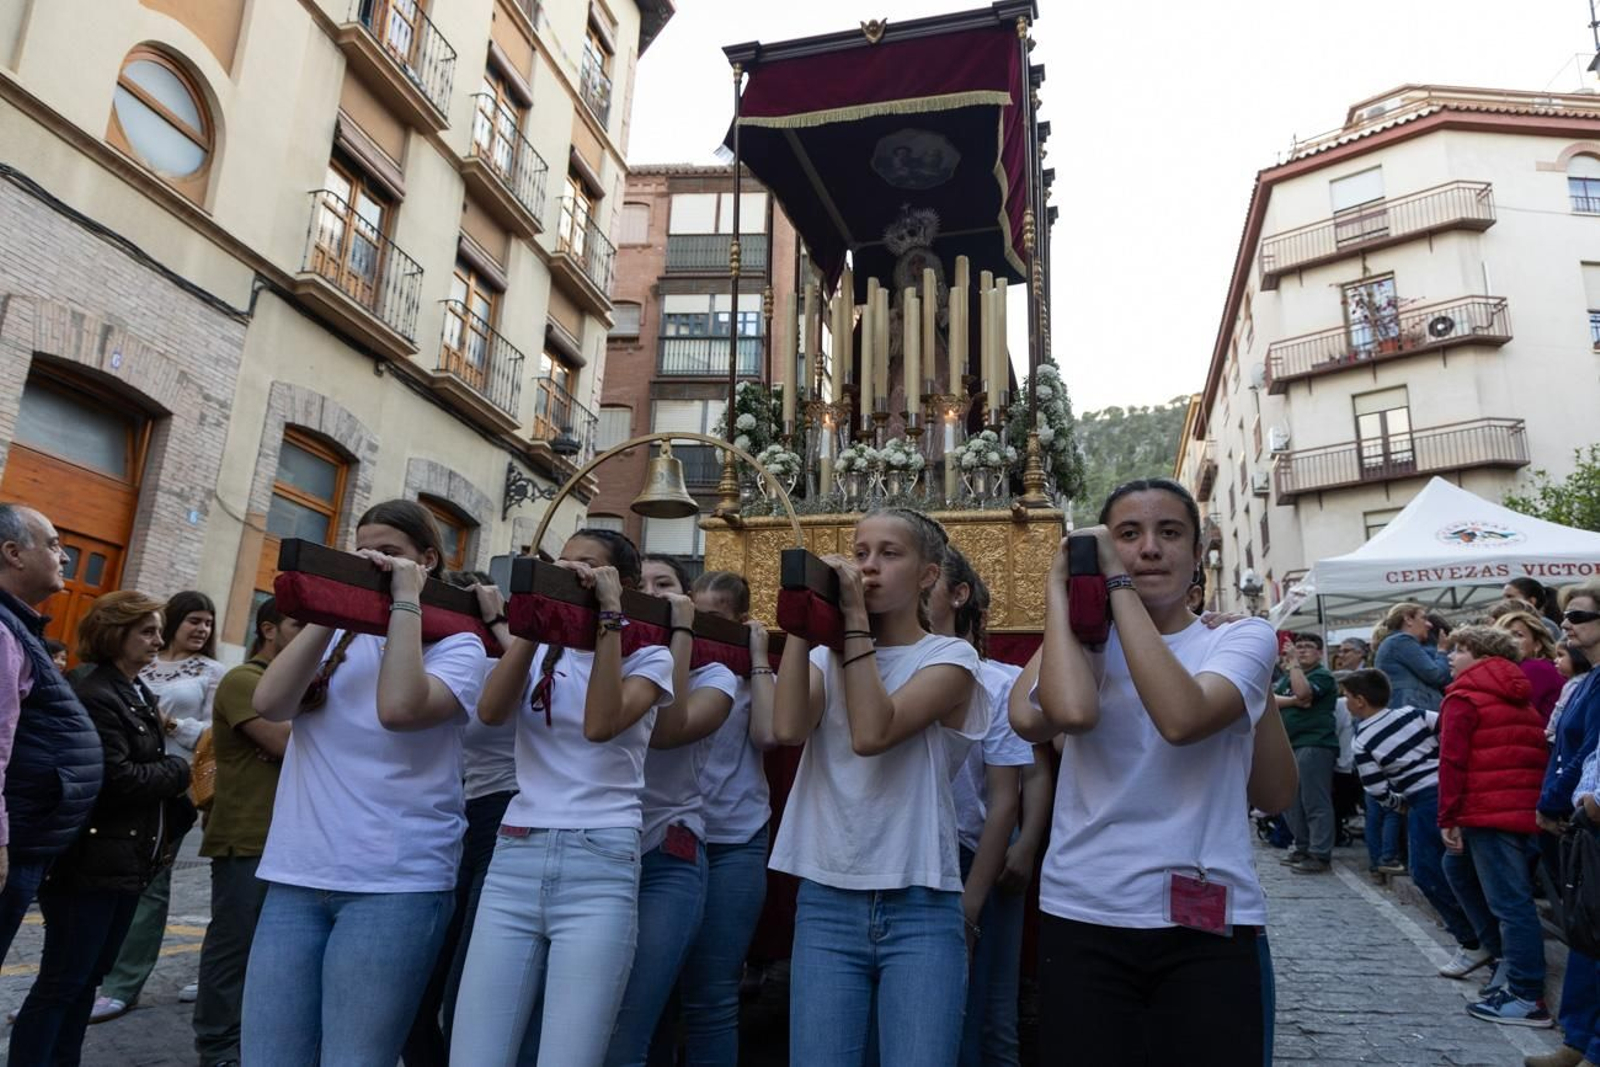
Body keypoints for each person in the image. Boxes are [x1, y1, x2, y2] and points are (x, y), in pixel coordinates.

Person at [1011, 478, 1277, 1064]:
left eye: (1170, 533)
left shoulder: (1240, 638)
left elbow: (1182, 718)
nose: (1149, 548)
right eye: (1128, 535)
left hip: (1206, 926)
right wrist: (1062, 597)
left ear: (1198, 548)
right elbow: (1049, 719)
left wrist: (1118, 585)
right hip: (1084, 911)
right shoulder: (1081, 648)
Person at [240, 500, 485, 1066]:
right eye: (362, 552)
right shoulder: (331, 636)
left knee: (355, 1058)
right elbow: (270, 703)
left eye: (389, 553)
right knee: (268, 1055)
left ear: (426, 560)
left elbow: (400, 708)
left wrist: (403, 600)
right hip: (297, 875)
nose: (372, 561)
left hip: (395, 884)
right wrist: (334, 606)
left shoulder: (458, 644)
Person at [451, 529, 675, 1067]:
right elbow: (490, 711)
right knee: (475, 1053)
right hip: (516, 853)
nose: (570, 575)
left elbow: (601, 724)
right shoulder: (538, 651)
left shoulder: (648, 656)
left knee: (569, 1054)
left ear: (618, 582)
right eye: (562, 565)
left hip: (599, 860)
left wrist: (608, 617)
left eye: (587, 566)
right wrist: (533, 620)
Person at [771, 507, 984, 1065]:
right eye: (861, 552)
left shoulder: (951, 657)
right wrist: (804, 619)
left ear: (928, 576)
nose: (868, 567)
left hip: (920, 903)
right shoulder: (824, 655)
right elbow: (787, 727)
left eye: (890, 554)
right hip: (826, 898)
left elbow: (874, 730)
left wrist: (851, 621)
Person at [8, 591, 194, 1064]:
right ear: (116, 634)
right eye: (147, 631)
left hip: (124, 859)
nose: (158, 640)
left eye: (158, 630)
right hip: (88, 860)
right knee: (63, 981)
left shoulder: (133, 689)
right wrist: (179, 772)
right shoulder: (93, 689)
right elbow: (118, 777)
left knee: (87, 979)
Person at [604, 554, 736, 1067]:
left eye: (667, 585)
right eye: (644, 584)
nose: (654, 593)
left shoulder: (716, 674)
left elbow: (666, 731)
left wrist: (676, 640)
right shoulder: (598, 655)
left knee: (632, 1020)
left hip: (665, 853)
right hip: (594, 854)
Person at [92, 590, 226, 1022]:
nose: (201, 629)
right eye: (194, 621)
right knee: (109, 879)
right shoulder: (140, 662)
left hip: (176, 788)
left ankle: (124, 983)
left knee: (152, 883)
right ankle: (96, 975)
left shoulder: (211, 672)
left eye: (208, 622)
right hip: (123, 781)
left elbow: (213, 735)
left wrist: (171, 725)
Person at [405, 570, 515, 1067]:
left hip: (502, 812)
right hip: (446, 814)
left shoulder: (506, 659)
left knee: (465, 979)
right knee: (417, 984)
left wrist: (497, 623)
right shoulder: (436, 656)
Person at [929, 545, 1033, 1067]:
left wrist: (974, 899)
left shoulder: (1000, 682)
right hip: (915, 852)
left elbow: (1010, 794)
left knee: (986, 1004)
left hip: (974, 850)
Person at [669, 570, 777, 1067]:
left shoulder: (752, 675)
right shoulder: (672, 659)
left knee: (712, 991)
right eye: (698, 612)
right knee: (657, 989)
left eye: (716, 616)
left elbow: (767, 736)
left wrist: (756, 659)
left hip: (735, 835)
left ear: (739, 620)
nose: (705, 624)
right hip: (671, 833)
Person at [191, 597, 300, 1067]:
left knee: (271, 955)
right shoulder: (245, 680)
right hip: (247, 834)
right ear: (268, 629)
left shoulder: (296, 685)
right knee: (233, 948)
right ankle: (217, 1047)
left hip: (289, 839)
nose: (309, 634)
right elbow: (284, 741)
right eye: (298, 624)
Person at [1435, 625, 1551, 1026]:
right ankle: (1501, 958)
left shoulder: (1464, 698)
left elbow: (1452, 762)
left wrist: (1448, 817)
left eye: (1458, 649)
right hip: (1516, 807)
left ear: (1480, 655)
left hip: (1486, 809)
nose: (1449, 657)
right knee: (1458, 870)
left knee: (1510, 902)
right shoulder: (1517, 694)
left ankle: (1525, 994)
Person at [0, 504, 101, 959]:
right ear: (13, 553)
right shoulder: (4, 632)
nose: (64, 557)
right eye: (54, 545)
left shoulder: (18, 627)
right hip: (12, 840)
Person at [1342, 668, 1484, 975]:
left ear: (1360, 701)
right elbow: (1449, 728)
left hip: (1422, 801)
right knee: (1467, 866)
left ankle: (1471, 940)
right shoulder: (1413, 713)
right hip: (1454, 789)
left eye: (1348, 696)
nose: (1346, 702)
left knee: (1426, 872)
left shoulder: (1363, 739)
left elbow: (1377, 789)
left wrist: (1399, 805)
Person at [1531, 583, 1600, 1067]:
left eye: (1578, 614)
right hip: (1579, 818)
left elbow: (1583, 752)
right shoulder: (1588, 681)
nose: (1566, 622)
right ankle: (1579, 1041)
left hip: (1586, 814)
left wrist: (1568, 802)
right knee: (1585, 933)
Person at [1274, 633, 1340, 874]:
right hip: (1290, 744)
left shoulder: (1321, 675)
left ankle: (1319, 853)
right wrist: (1292, 701)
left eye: (1308, 647)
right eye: (1298, 647)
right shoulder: (1288, 677)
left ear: (1320, 653)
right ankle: (1302, 846)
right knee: (1291, 801)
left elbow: (1302, 694)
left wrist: (1293, 666)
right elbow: (1272, 699)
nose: (1301, 651)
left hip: (1314, 742)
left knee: (1314, 800)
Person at [1374, 602, 1453, 712]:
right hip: (1410, 718)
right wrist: (1442, 650)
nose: (1429, 625)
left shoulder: (1397, 642)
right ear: (1408, 620)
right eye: (1423, 618)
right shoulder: (1402, 640)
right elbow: (1435, 675)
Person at [1496, 608, 1564, 721]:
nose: (1509, 641)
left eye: (1518, 635)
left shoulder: (1535, 668)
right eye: (1503, 635)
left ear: (1537, 645)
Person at [1550, 639, 1595, 742]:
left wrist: (1550, 731)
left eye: (1561, 655)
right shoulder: (1574, 682)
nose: (1555, 660)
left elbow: (1561, 712)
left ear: (1577, 657)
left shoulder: (1575, 685)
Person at [1505, 577, 1566, 642]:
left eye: (1510, 597)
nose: (1505, 601)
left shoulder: (1546, 625)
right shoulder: (1502, 621)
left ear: (1531, 601)